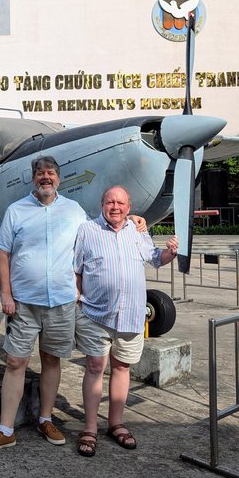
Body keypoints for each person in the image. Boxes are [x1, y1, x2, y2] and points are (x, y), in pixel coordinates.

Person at [0, 157, 147, 456]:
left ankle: (45, 419)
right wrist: (6, 293)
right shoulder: (16, 211)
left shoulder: (74, 211)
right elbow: (1, 251)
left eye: (51, 173)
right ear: (33, 179)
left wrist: (133, 220)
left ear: (58, 179)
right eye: (40, 174)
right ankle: (5, 431)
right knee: (16, 362)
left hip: (62, 303)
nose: (46, 178)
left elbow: (102, 227)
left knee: (52, 360)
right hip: (25, 303)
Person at [72, 185, 178, 457]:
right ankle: (90, 427)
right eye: (110, 202)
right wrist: (77, 300)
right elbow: (76, 270)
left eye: (120, 203)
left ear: (129, 207)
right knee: (95, 367)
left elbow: (154, 258)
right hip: (96, 314)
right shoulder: (87, 231)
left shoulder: (137, 231)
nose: (115, 207)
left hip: (130, 314)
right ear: (102, 204)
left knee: (122, 368)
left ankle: (116, 423)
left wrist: (170, 253)